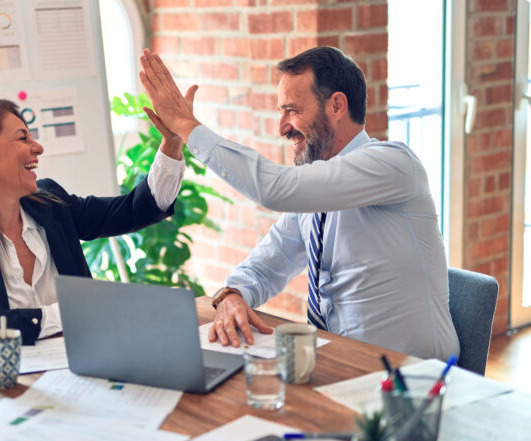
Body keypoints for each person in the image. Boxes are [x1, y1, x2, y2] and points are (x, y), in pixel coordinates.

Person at [139, 46, 459, 361]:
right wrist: (231, 295)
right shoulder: (315, 194)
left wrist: (185, 125)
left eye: (292, 110)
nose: (282, 128)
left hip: (413, 379)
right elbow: (268, 264)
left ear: (336, 106)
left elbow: (274, 189)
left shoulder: (393, 164)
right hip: (341, 367)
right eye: (281, 112)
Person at [0, 98, 185, 353]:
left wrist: (171, 144)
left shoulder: (51, 204)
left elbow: (134, 210)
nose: (38, 147)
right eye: (23, 138)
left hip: (81, 366)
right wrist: (72, 312)